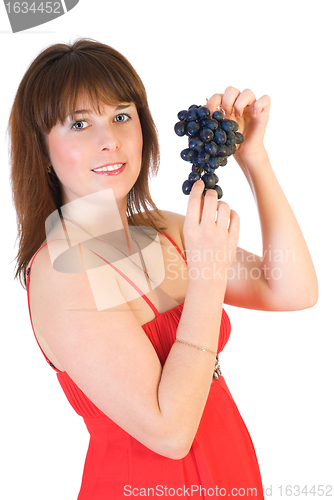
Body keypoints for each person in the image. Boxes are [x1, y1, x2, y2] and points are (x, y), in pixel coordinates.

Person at [9, 39, 318, 499]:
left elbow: (293, 290)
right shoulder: (62, 273)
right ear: (43, 150)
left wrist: (254, 158)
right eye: (79, 123)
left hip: (230, 474)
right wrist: (208, 275)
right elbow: (170, 433)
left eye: (120, 116)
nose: (108, 139)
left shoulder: (164, 230)